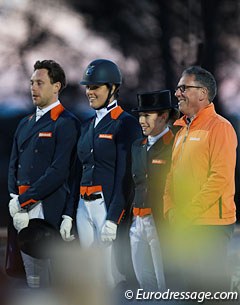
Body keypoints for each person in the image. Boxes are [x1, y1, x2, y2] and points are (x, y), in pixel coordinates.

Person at [164, 66, 237, 292]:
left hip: (211, 226)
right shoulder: (182, 130)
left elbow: (220, 178)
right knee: (190, 292)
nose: (177, 94)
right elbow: (171, 175)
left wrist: (187, 211)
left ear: (203, 94)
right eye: (177, 88)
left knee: (211, 293)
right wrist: (170, 209)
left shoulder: (220, 128)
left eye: (183, 88)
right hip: (186, 223)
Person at [7, 59, 80, 288]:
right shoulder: (24, 123)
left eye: (40, 82)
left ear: (56, 86)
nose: (33, 88)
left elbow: (58, 171)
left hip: (46, 208)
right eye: (32, 83)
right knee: (31, 279)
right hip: (21, 209)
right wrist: (13, 198)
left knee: (53, 280)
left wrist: (23, 201)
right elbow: (13, 165)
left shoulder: (67, 123)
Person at [76, 58, 142, 287]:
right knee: (90, 274)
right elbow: (79, 170)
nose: (89, 92)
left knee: (110, 276)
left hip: (106, 207)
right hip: (83, 207)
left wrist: (113, 218)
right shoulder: (85, 125)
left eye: (95, 87)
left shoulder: (126, 124)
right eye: (88, 87)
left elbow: (126, 177)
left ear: (112, 88)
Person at [130, 89, 179, 291]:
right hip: (137, 220)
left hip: (161, 221)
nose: (142, 120)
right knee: (143, 281)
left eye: (147, 115)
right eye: (140, 115)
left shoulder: (175, 144)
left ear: (164, 116)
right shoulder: (136, 146)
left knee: (165, 283)